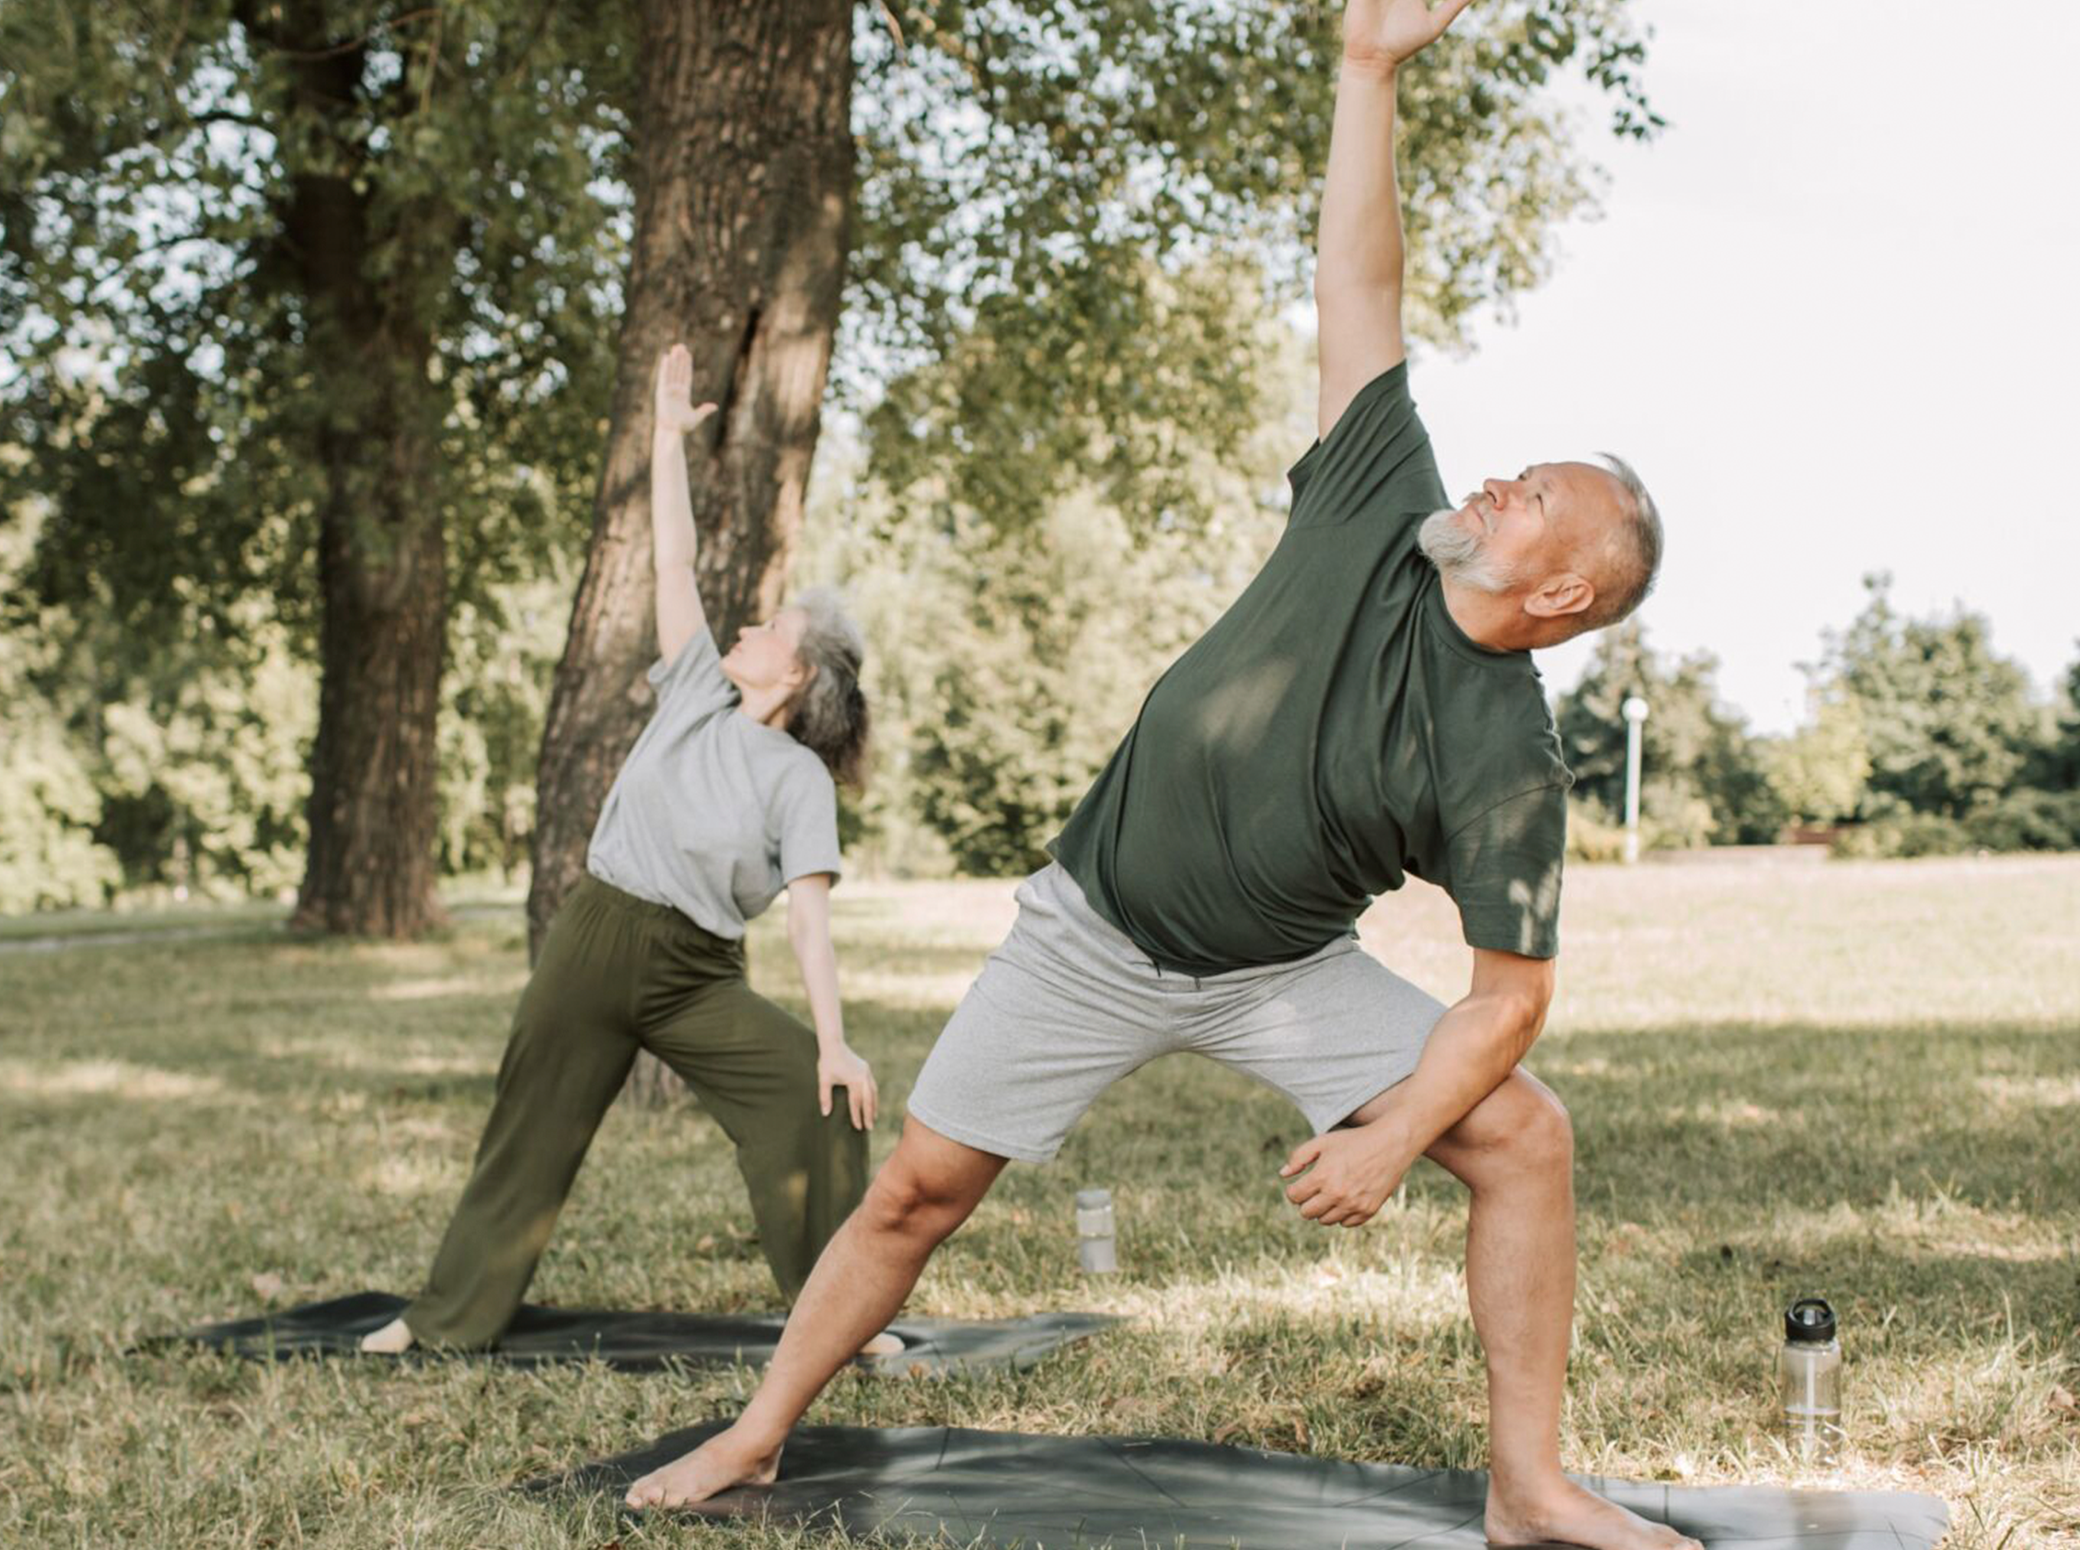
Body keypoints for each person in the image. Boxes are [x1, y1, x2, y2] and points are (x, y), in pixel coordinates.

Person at [625, 2, 1696, 1545]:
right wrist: (1366, 70)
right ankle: (754, 1433)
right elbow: (1358, 277)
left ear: (1561, 598)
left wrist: (1394, 1134)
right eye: (1517, 467)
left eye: (1535, 500)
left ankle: (1528, 1488)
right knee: (920, 1192)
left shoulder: (1506, 755)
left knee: (1526, 1132)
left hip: (1279, 968)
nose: (1496, 480)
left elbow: (1507, 993)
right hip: (1095, 928)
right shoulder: (1379, 498)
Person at [361, 344, 886, 1357]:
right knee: (529, 1127)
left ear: (798, 672)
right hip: (597, 938)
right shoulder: (694, 684)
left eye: (770, 623)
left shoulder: (798, 781)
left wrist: (832, 1039)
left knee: (809, 1093)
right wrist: (663, 438)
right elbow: (676, 558)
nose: (746, 619)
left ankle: (843, 1320)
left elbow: (811, 924)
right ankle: (444, 1320)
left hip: (695, 973)